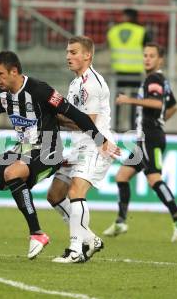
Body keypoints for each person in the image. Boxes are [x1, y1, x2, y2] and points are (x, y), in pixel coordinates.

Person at [0, 50, 119, 260]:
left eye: (0, 74)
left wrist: (100, 140)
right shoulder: (3, 95)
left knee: (14, 172)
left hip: (48, 150)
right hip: (22, 149)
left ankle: (37, 234)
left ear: (14, 71)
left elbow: (75, 114)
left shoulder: (40, 90)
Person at [103, 42, 177, 242]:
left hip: (149, 138)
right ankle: (121, 221)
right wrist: (160, 120)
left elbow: (158, 103)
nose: (147, 59)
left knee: (154, 178)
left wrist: (130, 100)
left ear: (160, 59)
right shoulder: (162, 81)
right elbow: (173, 106)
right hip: (147, 137)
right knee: (122, 176)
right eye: (145, 55)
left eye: (152, 55)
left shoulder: (154, 78)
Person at [46, 36, 115, 263]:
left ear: (88, 55)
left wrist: (54, 119)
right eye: (67, 52)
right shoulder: (75, 82)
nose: (68, 56)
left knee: (76, 192)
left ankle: (76, 250)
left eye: (74, 52)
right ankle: (90, 239)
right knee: (55, 195)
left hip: (97, 145)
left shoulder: (91, 84)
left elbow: (89, 122)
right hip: (78, 146)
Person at [107, 8, 151, 130]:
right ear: (136, 17)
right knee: (134, 101)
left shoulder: (113, 31)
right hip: (135, 72)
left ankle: (115, 126)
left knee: (117, 101)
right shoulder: (141, 31)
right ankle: (134, 127)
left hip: (118, 71)